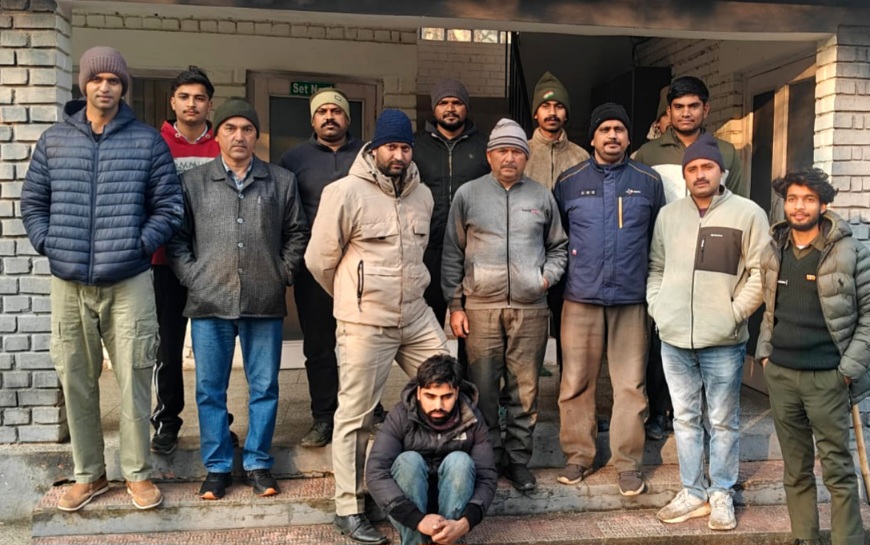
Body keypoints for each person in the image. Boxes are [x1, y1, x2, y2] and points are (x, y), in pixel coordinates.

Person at [21, 46, 182, 511]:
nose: (105, 87)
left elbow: (169, 207)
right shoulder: (54, 141)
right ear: (84, 84)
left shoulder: (147, 142)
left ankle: (136, 474)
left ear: (123, 87)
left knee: (134, 376)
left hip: (129, 279)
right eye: (97, 79)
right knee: (75, 377)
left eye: (114, 80)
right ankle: (89, 474)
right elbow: (33, 203)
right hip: (68, 281)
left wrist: (137, 244)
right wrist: (50, 243)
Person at [305, 109, 449, 545]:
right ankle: (348, 506)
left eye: (405, 147)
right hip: (366, 320)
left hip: (416, 315)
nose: (398, 155)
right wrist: (353, 297)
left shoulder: (423, 195)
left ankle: (433, 483)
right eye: (391, 146)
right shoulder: (344, 192)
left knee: (448, 385)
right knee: (356, 413)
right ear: (374, 148)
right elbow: (319, 260)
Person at [168, 98, 309, 500]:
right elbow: (177, 239)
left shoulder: (280, 181)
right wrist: (193, 276)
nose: (239, 136)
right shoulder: (194, 182)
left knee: (264, 387)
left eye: (247, 129)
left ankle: (258, 463)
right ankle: (217, 467)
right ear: (217, 134)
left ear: (256, 135)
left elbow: (297, 233)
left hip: (264, 302)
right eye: (230, 128)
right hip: (209, 301)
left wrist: (282, 273)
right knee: (210, 389)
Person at [647, 132, 768, 531]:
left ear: (721, 172)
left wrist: (735, 313)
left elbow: (760, 272)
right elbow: (656, 268)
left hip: (723, 341)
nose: (700, 174)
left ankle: (721, 493)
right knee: (684, 418)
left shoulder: (748, 214)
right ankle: (692, 491)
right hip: (674, 337)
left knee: (722, 420)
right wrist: (658, 307)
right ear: (685, 174)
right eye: (693, 168)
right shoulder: (669, 216)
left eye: (707, 167)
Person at [442, 118, 568, 492]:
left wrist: (543, 279)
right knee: (481, 390)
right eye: (502, 151)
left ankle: (517, 461)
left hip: (530, 309)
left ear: (526, 157)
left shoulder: (541, 196)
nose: (509, 158)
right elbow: (452, 252)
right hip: (480, 308)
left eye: (516, 151)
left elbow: (559, 247)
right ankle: (488, 459)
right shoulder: (468, 195)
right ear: (489, 156)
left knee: (524, 392)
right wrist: (456, 304)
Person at [553, 103, 665, 495]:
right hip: (580, 297)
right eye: (605, 129)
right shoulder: (570, 181)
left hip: (631, 299)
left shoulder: (648, 181)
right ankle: (578, 455)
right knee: (575, 381)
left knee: (630, 385)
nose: (612, 135)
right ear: (592, 138)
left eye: (619, 129)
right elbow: (558, 238)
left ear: (629, 137)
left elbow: (657, 238)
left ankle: (628, 463)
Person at [757, 168, 869, 545]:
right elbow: (769, 310)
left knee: (837, 469)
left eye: (808, 199)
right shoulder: (774, 249)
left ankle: (847, 539)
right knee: (795, 469)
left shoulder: (851, 251)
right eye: (792, 199)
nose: (799, 206)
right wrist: (766, 355)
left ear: (823, 204)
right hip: (782, 376)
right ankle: (804, 536)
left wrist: (847, 370)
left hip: (828, 378)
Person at [634, 76, 748, 441]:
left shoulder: (726, 152)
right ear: (668, 112)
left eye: (693, 106)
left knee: (707, 341)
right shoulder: (648, 154)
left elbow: (738, 208)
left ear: (706, 109)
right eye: (679, 107)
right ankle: (658, 411)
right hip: (667, 259)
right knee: (662, 339)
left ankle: (701, 415)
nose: (686, 113)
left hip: (713, 260)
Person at [279, 87, 364, 448]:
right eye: (322, 112)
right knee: (319, 346)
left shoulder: (367, 155)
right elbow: (284, 213)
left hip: (361, 269)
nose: (330, 117)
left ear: (348, 118)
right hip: (313, 270)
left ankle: (366, 409)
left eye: (337, 111)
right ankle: (324, 416)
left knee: (363, 344)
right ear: (313, 120)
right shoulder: (293, 159)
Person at [150, 65, 221, 456]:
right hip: (163, 262)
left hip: (213, 263)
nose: (192, 104)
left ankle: (218, 423)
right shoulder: (153, 144)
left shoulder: (221, 146)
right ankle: (167, 420)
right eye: (184, 97)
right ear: (172, 102)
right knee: (168, 347)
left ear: (210, 105)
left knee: (215, 349)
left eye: (199, 98)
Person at [366, 354, 498, 545]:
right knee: (408, 461)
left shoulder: (472, 417)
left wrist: (465, 522)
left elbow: (486, 476)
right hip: (409, 506)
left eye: (446, 396)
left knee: (460, 461)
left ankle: (448, 540)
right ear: (419, 392)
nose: (438, 405)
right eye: (430, 396)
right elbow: (376, 471)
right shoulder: (400, 415)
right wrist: (417, 519)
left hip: (454, 504)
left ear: (457, 392)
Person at [524, 71, 590, 379]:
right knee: (527, 334)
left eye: (559, 106)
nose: (552, 112)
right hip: (528, 257)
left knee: (570, 334)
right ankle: (520, 399)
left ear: (566, 113)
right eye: (546, 106)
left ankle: (570, 394)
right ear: (535, 113)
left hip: (572, 258)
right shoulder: (521, 153)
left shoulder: (581, 156)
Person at [414, 79, 489, 348]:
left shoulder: (485, 146)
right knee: (428, 332)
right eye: (443, 103)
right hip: (428, 249)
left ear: (466, 107)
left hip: (473, 250)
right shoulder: (415, 146)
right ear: (434, 108)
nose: (450, 108)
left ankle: (469, 376)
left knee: (473, 332)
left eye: (457, 102)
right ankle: (433, 375)